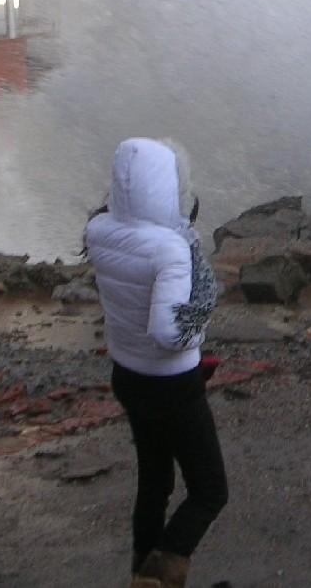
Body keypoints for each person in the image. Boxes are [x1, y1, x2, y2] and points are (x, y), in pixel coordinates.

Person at [84, 137, 226, 588]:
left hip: (128, 375)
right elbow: (170, 333)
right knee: (209, 492)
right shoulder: (170, 248)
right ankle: (158, 578)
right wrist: (200, 325)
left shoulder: (98, 231)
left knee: (155, 483)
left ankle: (139, 573)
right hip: (172, 385)